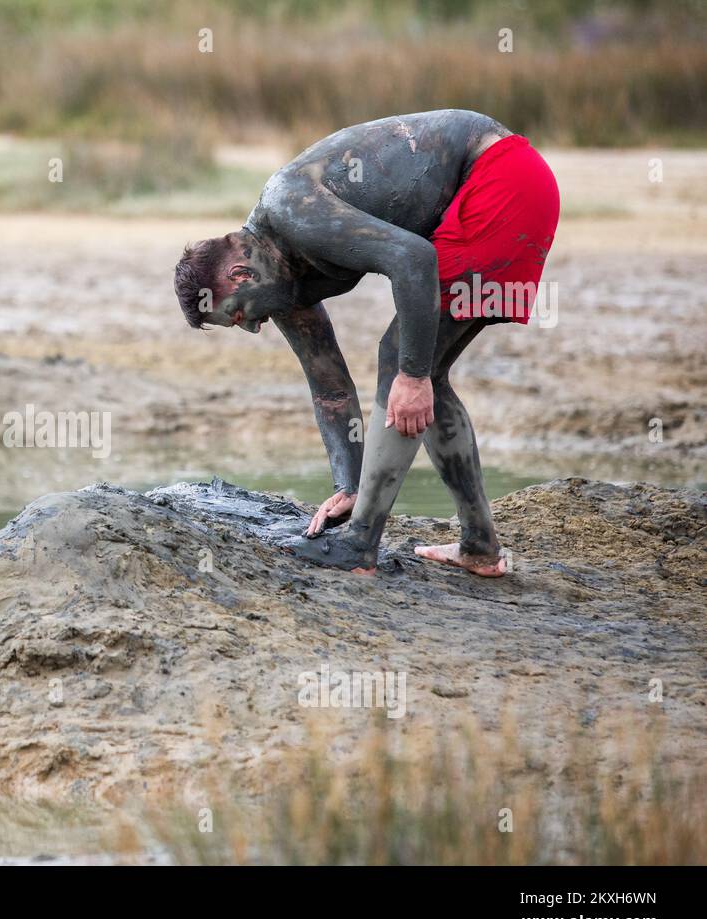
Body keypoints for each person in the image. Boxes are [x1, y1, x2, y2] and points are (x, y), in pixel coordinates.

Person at [173, 110, 559, 575]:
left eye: (237, 315)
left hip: (503, 178)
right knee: (420, 372)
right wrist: (348, 484)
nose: (253, 328)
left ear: (240, 275)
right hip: (504, 186)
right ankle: (479, 547)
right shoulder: (280, 283)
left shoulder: (291, 210)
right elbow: (330, 389)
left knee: (404, 363)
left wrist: (411, 375)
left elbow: (413, 259)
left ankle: (361, 545)